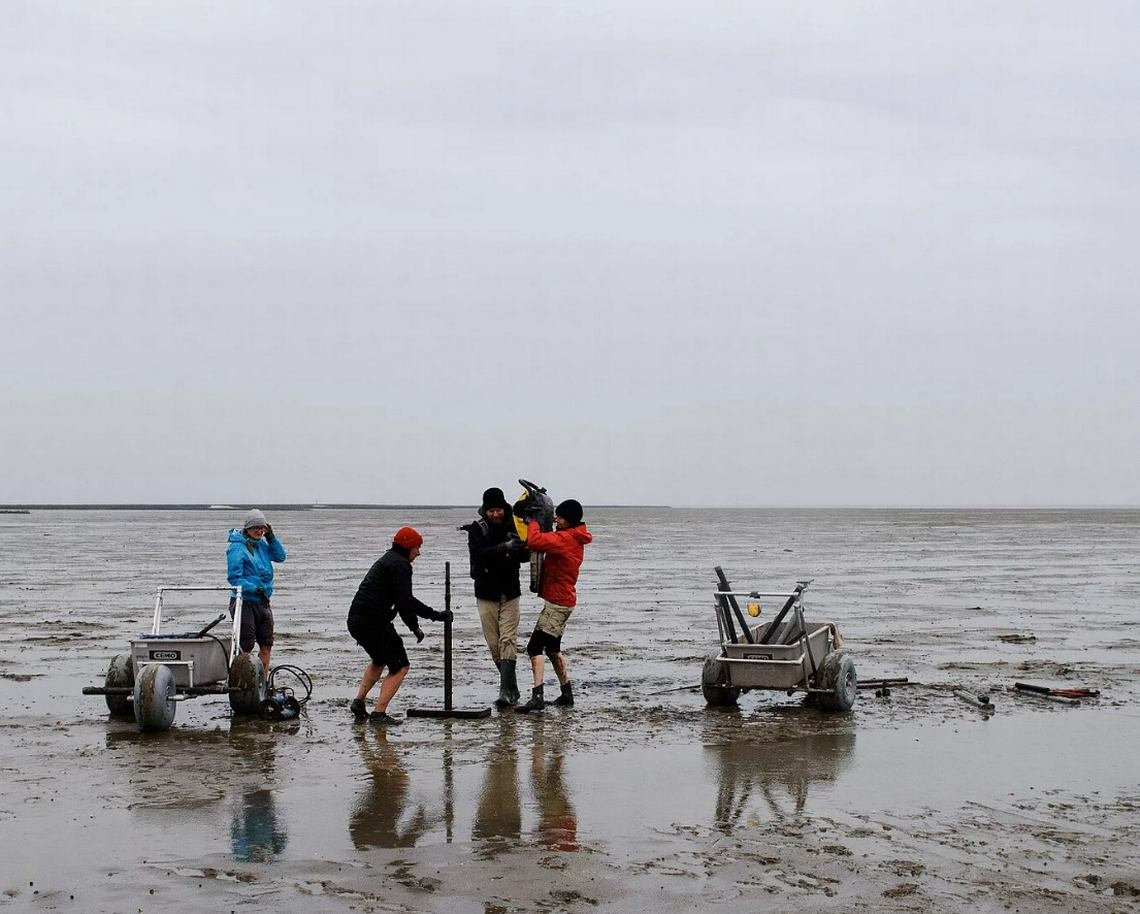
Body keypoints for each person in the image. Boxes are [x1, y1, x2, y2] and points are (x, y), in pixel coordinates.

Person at [347, 526, 451, 725]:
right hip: (374, 622)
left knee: (379, 659)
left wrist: (434, 615)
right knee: (401, 666)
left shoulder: (388, 560)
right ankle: (379, 713)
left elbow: (406, 599)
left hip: (356, 620)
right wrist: (415, 628)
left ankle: (359, 702)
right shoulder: (400, 564)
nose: (418, 553)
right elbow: (404, 603)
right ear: (408, 548)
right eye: (417, 548)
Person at [515, 499, 592, 712]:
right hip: (563, 601)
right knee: (552, 648)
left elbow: (535, 540)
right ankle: (566, 693)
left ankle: (537, 697)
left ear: (569, 520)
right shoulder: (573, 536)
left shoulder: (566, 539)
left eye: (560, 517)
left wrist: (532, 521)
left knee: (533, 647)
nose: (556, 519)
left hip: (558, 604)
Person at [461, 487, 527, 708]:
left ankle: (504, 692)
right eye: (491, 511)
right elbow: (478, 555)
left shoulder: (515, 524)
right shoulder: (477, 529)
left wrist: (517, 548)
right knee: (494, 644)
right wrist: (502, 548)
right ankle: (512, 688)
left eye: (498, 510)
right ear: (485, 511)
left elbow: (527, 554)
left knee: (507, 639)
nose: (495, 514)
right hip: (486, 593)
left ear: (504, 507)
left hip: (510, 592)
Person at [227, 508, 286, 680]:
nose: (259, 531)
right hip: (244, 602)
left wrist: (271, 537)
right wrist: (253, 588)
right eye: (255, 528)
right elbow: (234, 578)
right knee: (246, 646)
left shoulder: (263, 544)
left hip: (263, 602)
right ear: (247, 529)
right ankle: (245, 683)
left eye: (262, 528)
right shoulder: (237, 548)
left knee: (267, 644)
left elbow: (281, 556)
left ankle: (263, 683)